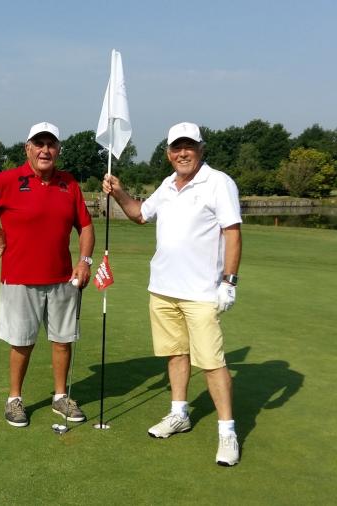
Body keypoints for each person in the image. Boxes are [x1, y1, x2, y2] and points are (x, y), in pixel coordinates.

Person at [102, 122, 242, 466]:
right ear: (168, 153)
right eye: (177, 148)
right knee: (175, 354)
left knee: (211, 362)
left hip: (201, 292)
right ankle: (179, 414)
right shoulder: (167, 185)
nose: (183, 153)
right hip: (163, 289)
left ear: (200, 149)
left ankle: (227, 432)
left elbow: (233, 233)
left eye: (189, 147)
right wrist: (118, 192)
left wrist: (229, 281)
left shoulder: (218, 183)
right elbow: (139, 215)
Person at [0, 122, 95, 428]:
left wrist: (84, 260)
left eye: (51, 144)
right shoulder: (9, 180)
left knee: (62, 340)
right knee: (22, 342)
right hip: (19, 278)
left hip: (62, 277)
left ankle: (61, 397)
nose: (45, 150)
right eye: (39, 144)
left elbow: (85, 225)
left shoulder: (68, 183)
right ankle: (14, 399)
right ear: (28, 148)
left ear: (58, 149)